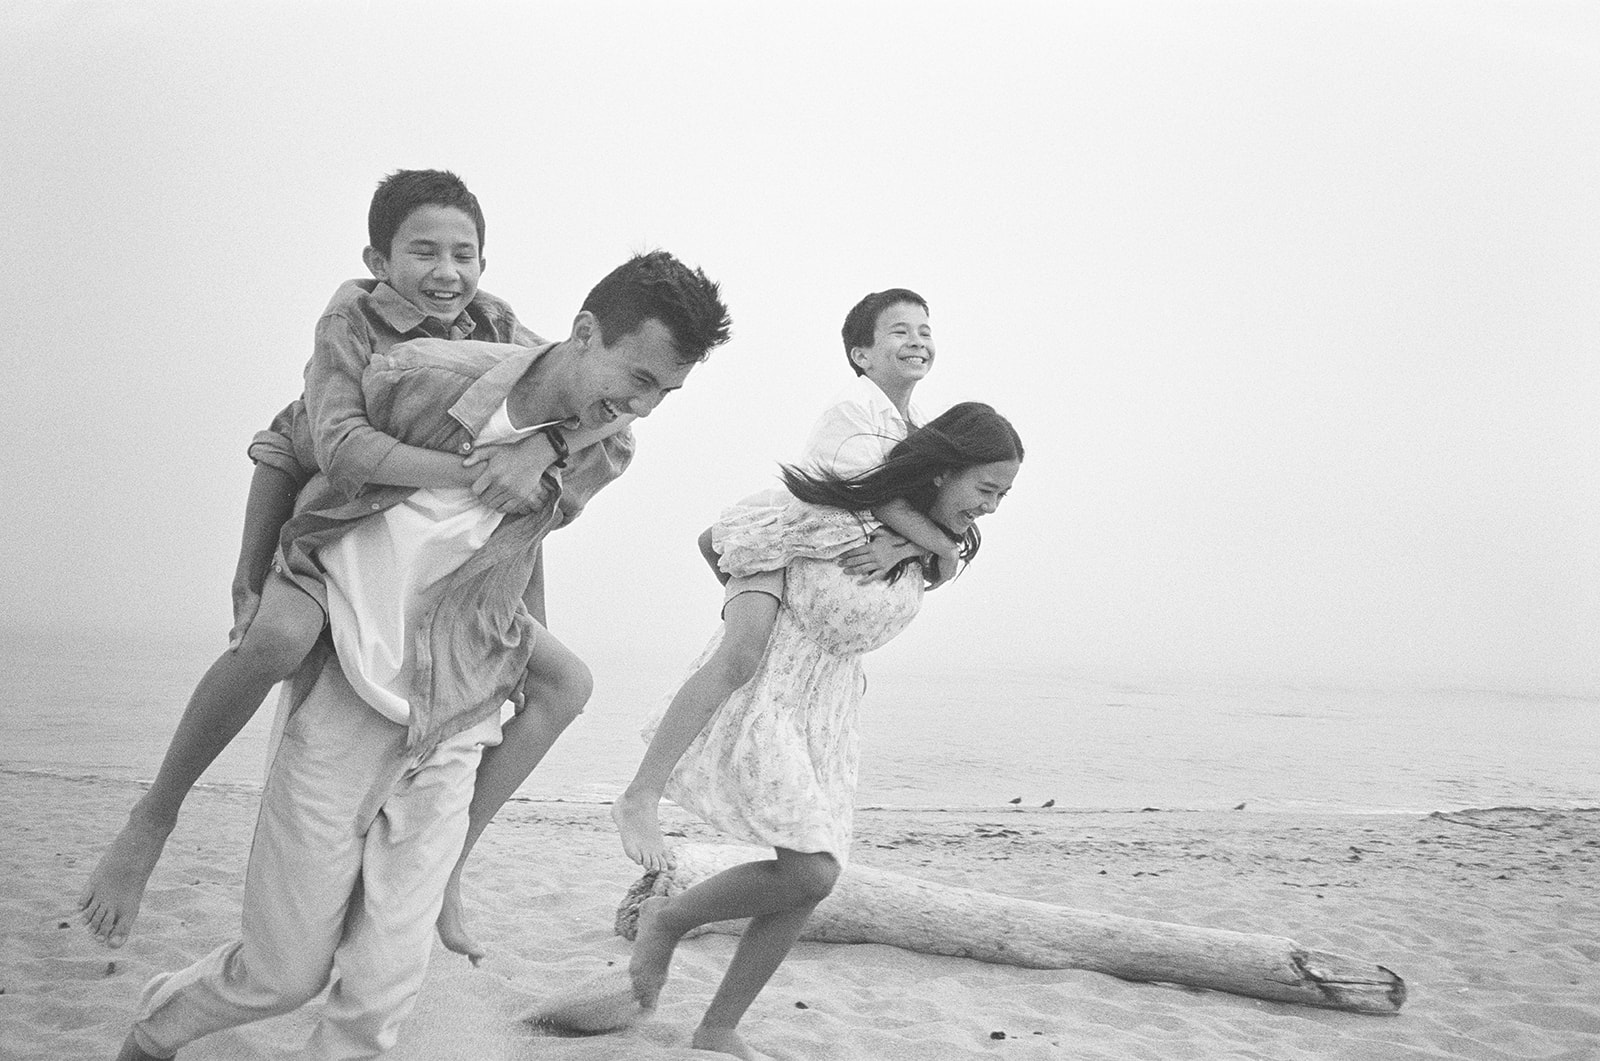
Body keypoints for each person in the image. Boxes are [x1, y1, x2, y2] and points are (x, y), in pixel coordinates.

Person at [112, 250, 732, 1061]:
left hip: (454, 718)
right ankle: (154, 1033)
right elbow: (296, 441)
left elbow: (527, 538)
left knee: (377, 1000)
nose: (643, 408)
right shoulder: (415, 375)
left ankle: (445, 882)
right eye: (638, 378)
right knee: (280, 974)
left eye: (664, 393)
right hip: (347, 696)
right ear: (584, 333)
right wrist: (255, 574)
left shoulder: (604, 451)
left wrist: (545, 456)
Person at [80, 169, 594, 954]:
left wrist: (544, 475)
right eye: (423, 251)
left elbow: (554, 457)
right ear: (378, 258)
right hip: (331, 510)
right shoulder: (349, 321)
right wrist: (248, 571)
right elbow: (312, 449)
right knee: (276, 638)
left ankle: (450, 863)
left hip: (437, 546)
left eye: (465, 253)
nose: (446, 271)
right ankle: (155, 812)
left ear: (486, 264)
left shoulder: (501, 331)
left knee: (559, 677)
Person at [626, 402, 1023, 1061]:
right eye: (986, 489)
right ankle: (666, 918)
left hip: (829, 715)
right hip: (768, 689)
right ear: (944, 470)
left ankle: (717, 1027)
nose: (992, 506)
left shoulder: (930, 544)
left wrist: (926, 540)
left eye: (1003, 495)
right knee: (809, 872)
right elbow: (716, 538)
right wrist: (754, 599)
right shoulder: (835, 516)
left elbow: (947, 564)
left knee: (814, 876)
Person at [612, 288, 960, 871]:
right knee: (739, 658)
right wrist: (939, 546)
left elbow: (903, 511)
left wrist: (911, 542)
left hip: (807, 550)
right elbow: (876, 498)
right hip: (781, 538)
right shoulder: (855, 407)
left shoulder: (914, 425)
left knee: (758, 660)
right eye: (899, 331)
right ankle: (639, 795)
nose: (917, 340)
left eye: (924, 330)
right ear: (861, 354)